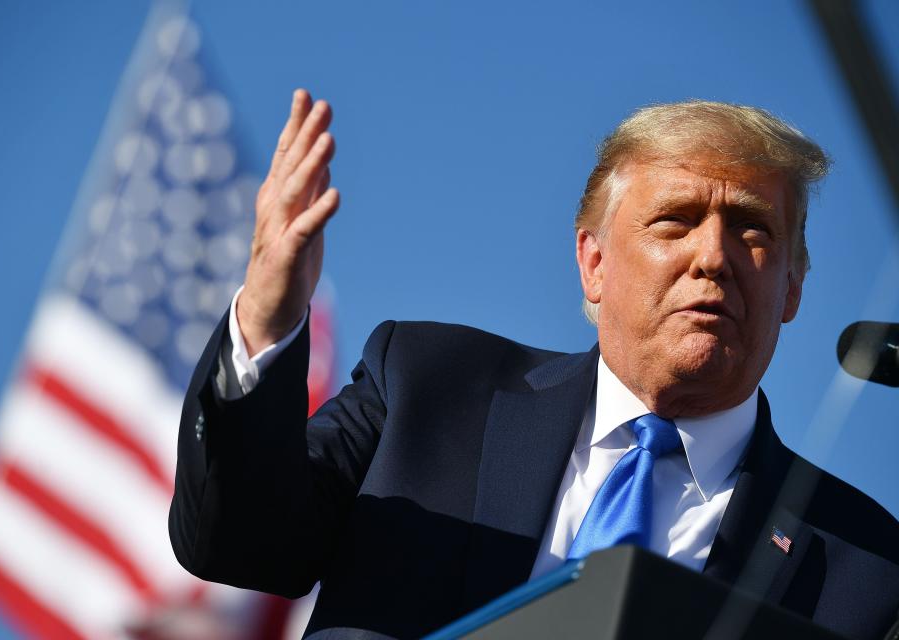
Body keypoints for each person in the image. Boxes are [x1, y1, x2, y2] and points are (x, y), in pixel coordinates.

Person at [169, 91, 899, 639]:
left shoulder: (868, 566)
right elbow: (240, 545)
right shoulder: (427, 386)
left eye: (752, 228)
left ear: (794, 286)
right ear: (593, 263)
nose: (713, 257)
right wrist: (264, 319)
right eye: (675, 220)